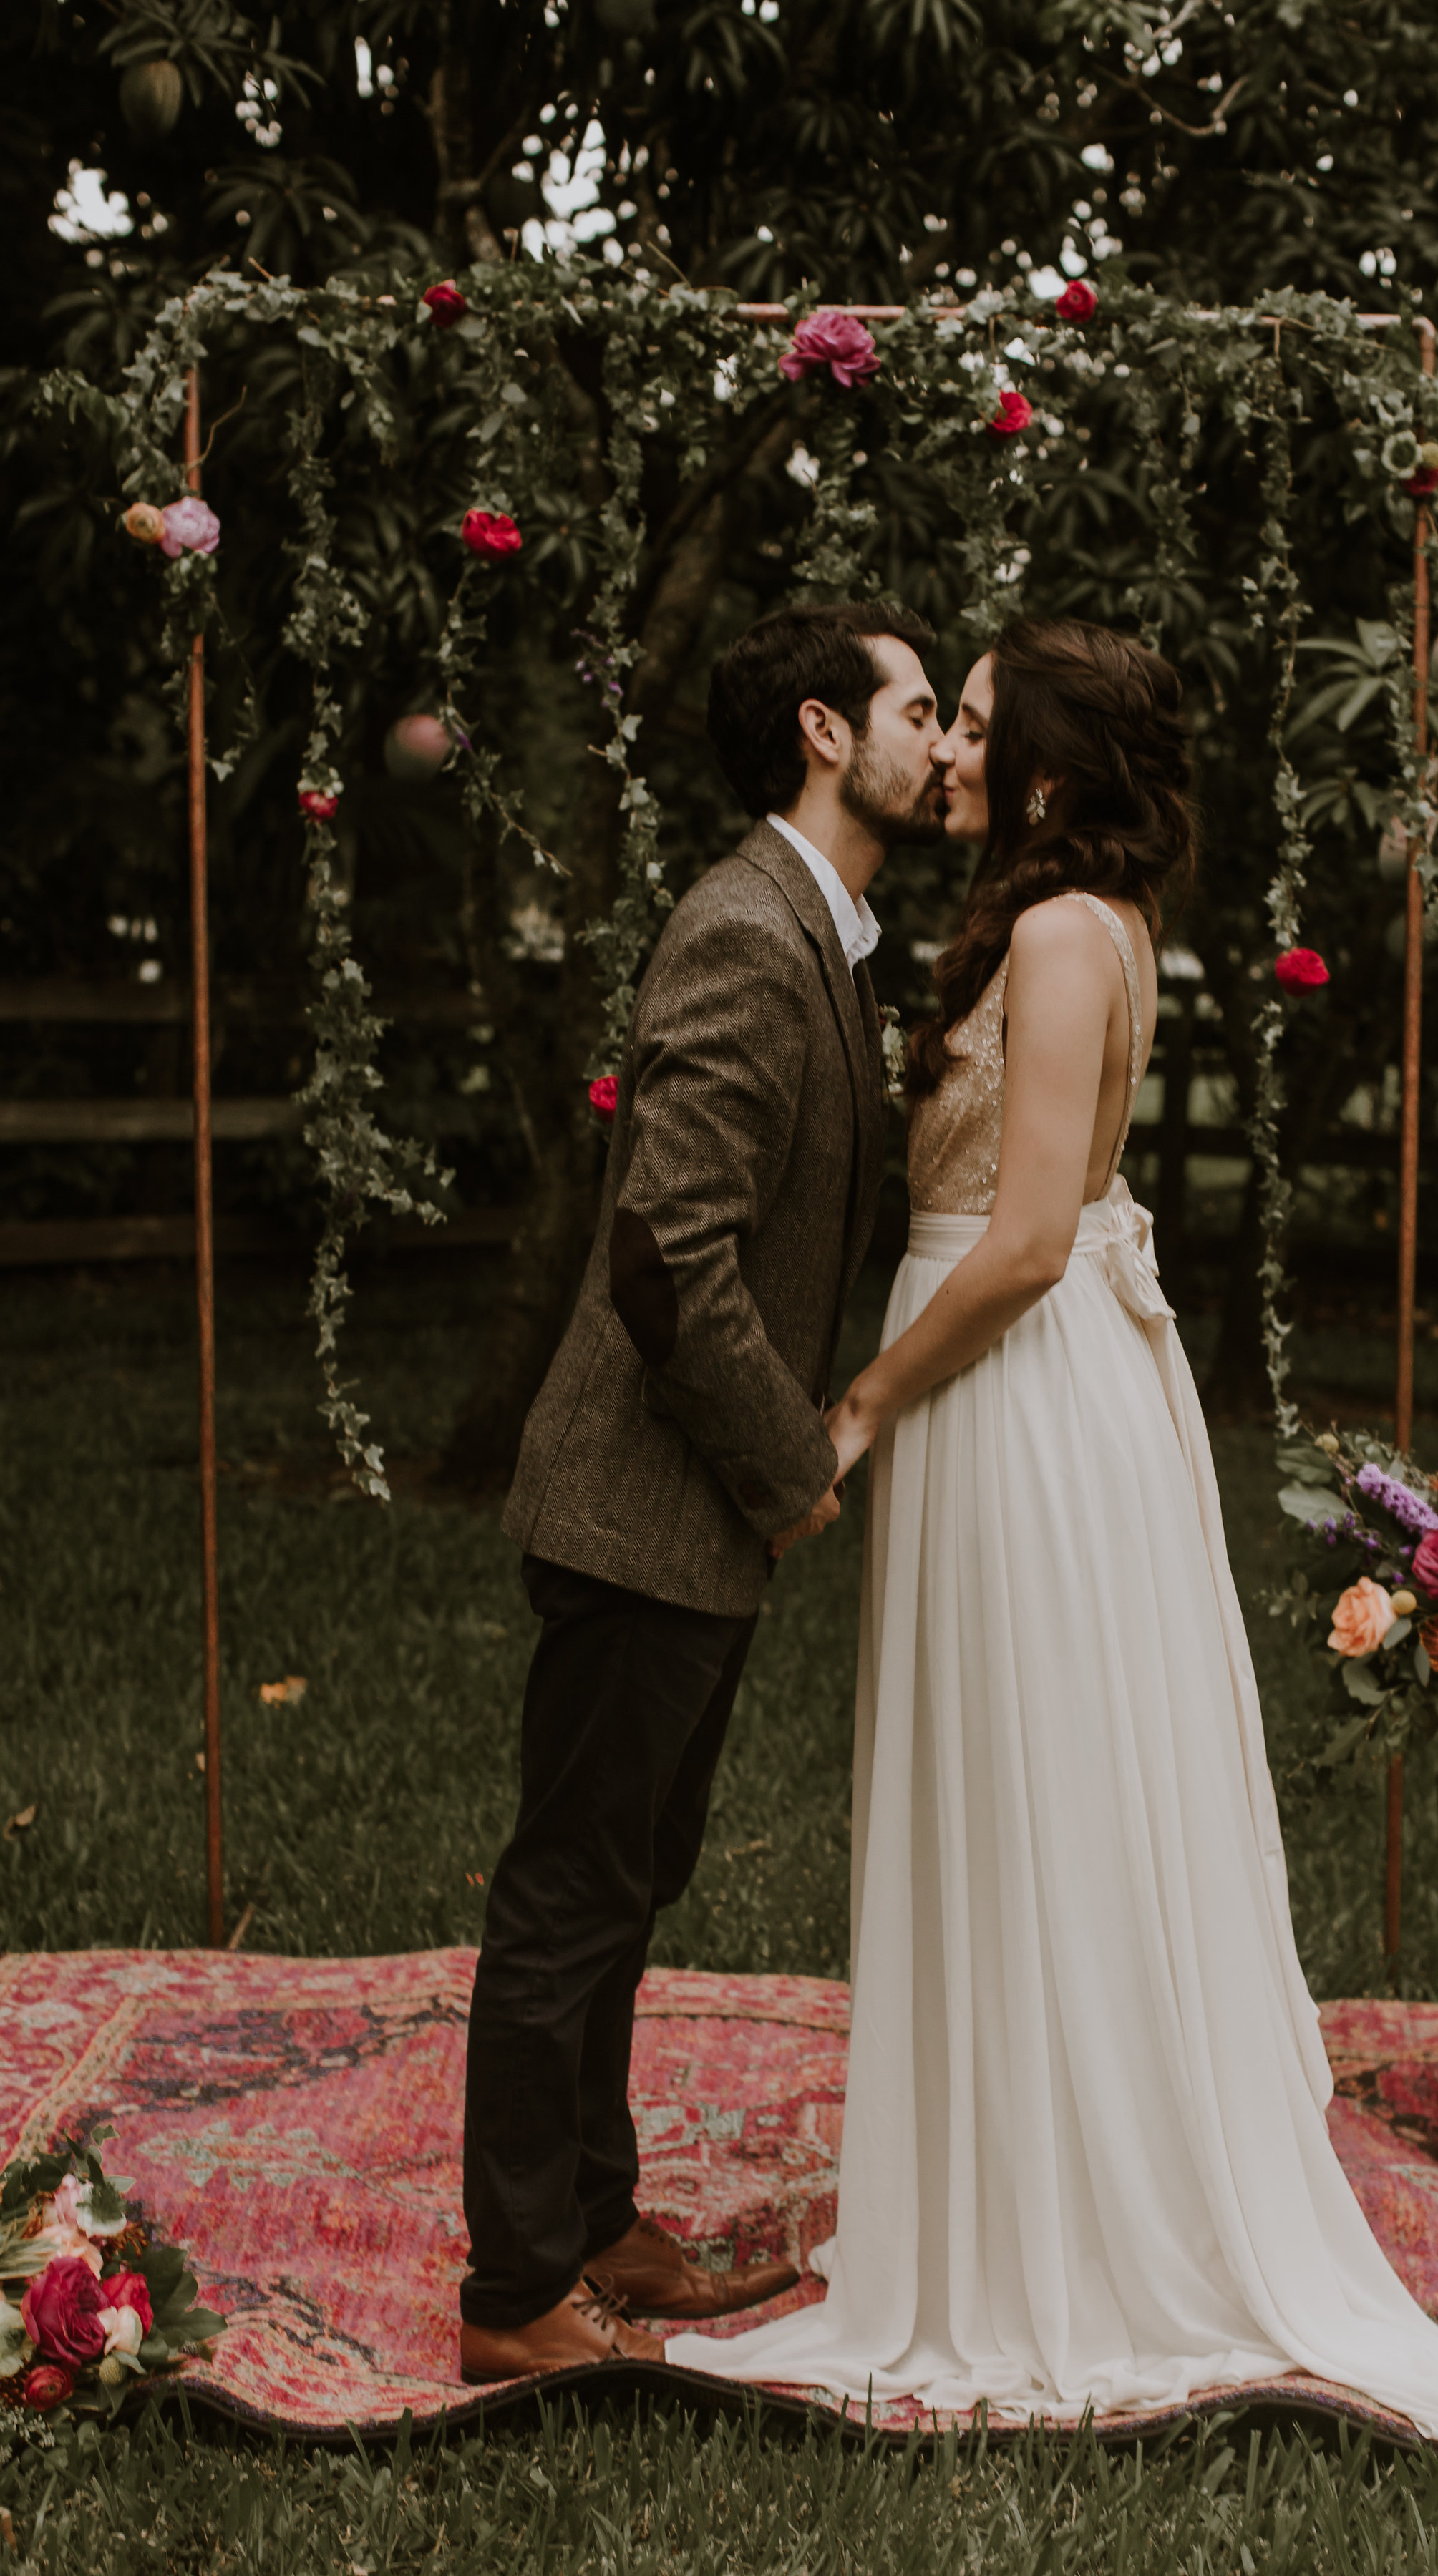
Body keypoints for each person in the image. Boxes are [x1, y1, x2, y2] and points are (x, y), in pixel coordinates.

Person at [669, 618, 1438, 2455]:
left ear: (1049, 771)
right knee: (1009, 1778)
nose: (951, 751)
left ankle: (1066, 2221)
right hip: (1009, 1390)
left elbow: (1032, 1234)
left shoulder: (1065, 936)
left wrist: (861, 1402)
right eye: (946, 718)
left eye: (976, 727)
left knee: (1037, 1780)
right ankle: (1001, 2170)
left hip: (1013, 1390)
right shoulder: (1052, 920)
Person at [458, 600, 946, 2384]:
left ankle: (595, 2218)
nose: (941, 743)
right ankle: (517, 2293)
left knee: (629, 1877)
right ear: (825, 731)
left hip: (688, 1519)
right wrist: (791, 1458)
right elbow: (669, 1248)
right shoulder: (749, 928)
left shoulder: (825, 933)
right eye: (916, 707)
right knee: (572, 1889)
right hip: (647, 1501)